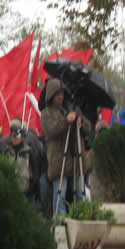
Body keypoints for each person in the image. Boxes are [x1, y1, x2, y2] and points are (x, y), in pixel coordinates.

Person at [41, 78, 92, 219]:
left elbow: (88, 128)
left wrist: (81, 124)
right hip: (59, 163)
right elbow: (50, 131)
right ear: (51, 95)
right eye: (57, 94)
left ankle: (82, 219)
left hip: (77, 160)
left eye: (62, 94)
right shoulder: (46, 113)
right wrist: (66, 121)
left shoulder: (73, 109)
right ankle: (59, 224)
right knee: (60, 196)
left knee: (80, 195)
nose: (60, 97)